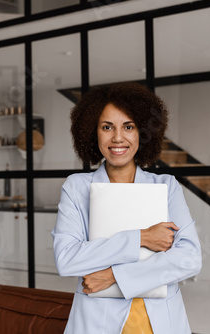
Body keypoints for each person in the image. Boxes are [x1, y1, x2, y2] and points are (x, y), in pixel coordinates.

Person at [52, 82, 202, 333]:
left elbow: (189, 259)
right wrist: (141, 238)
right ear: (93, 132)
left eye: (128, 127)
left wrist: (113, 277)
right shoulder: (76, 187)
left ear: (142, 132)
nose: (118, 137)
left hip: (161, 322)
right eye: (107, 127)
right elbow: (66, 259)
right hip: (97, 321)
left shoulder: (166, 186)